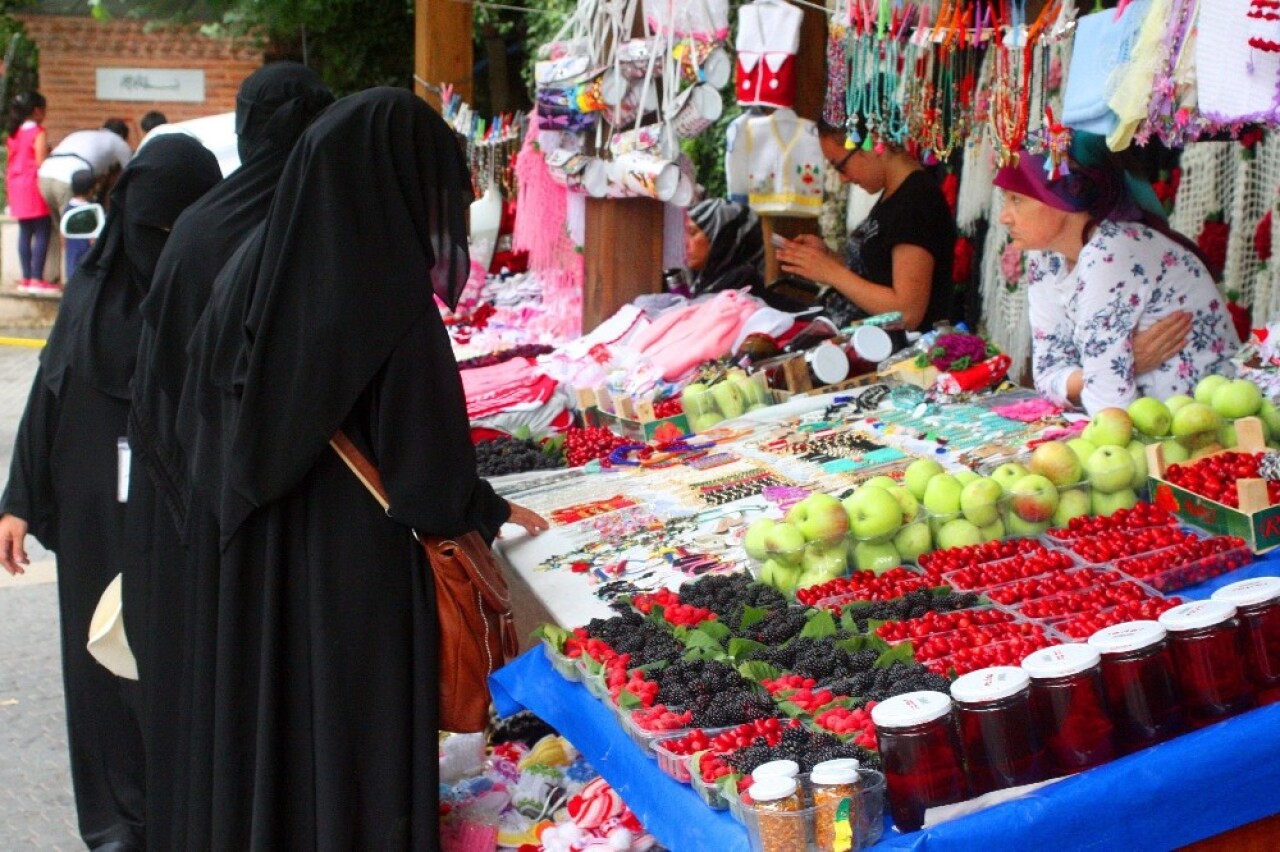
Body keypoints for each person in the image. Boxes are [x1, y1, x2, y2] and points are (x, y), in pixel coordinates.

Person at [177, 88, 547, 848]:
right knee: (356, 745)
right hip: (357, 574)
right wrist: (489, 509)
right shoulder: (389, 298)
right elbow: (431, 480)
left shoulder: (259, 267)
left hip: (265, 557)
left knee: (286, 731)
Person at [126, 61, 333, 851]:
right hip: (284, 520)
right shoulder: (314, 226)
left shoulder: (199, 225)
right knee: (277, 699)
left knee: (215, 694)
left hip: (191, 508)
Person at [0, 134, 221, 852]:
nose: (157, 246)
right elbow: (52, 386)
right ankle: (118, 825)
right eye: (149, 228)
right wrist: (19, 499)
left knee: (180, 660)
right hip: (95, 499)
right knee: (99, 663)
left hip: (187, 503)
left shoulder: (220, 282)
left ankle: (188, 809)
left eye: (174, 228)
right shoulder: (92, 286)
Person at [995, 146, 1239, 413]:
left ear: (1060, 199)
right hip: (1150, 426)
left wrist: (1109, 367)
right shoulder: (1045, 260)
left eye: (1016, 199)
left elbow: (1108, 405)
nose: (1003, 217)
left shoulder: (1112, 252)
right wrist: (1122, 362)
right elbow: (1047, 374)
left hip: (1206, 423)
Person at [775, 120, 955, 332]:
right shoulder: (896, 194)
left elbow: (907, 313)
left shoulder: (916, 201)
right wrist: (828, 260)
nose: (842, 178)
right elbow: (878, 275)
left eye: (841, 166)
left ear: (872, 142)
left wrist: (832, 272)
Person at [5, 91, 52, 293]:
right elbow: (41, 161)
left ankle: (25, 278)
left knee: (25, 231)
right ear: (37, 111)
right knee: (42, 229)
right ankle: (37, 279)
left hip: (15, 183)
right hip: (33, 183)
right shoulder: (38, 132)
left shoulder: (14, 133)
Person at [38, 119, 133, 219]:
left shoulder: (81, 134)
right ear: (123, 136)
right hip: (69, 179)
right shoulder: (118, 141)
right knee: (75, 226)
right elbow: (130, 172)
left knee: (59, 226)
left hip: (45, 175)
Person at [683, 197, 765, 295]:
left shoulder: (741, 290)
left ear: (723, 238)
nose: (684, 242)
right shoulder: (696, 280)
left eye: (692, 233)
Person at [63, 169, 97, 280]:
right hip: (87, 258)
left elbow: (62, 235)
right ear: (91, 190)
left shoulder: (67, 209)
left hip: (71, 257)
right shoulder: (92, 211)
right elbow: (94, 239)